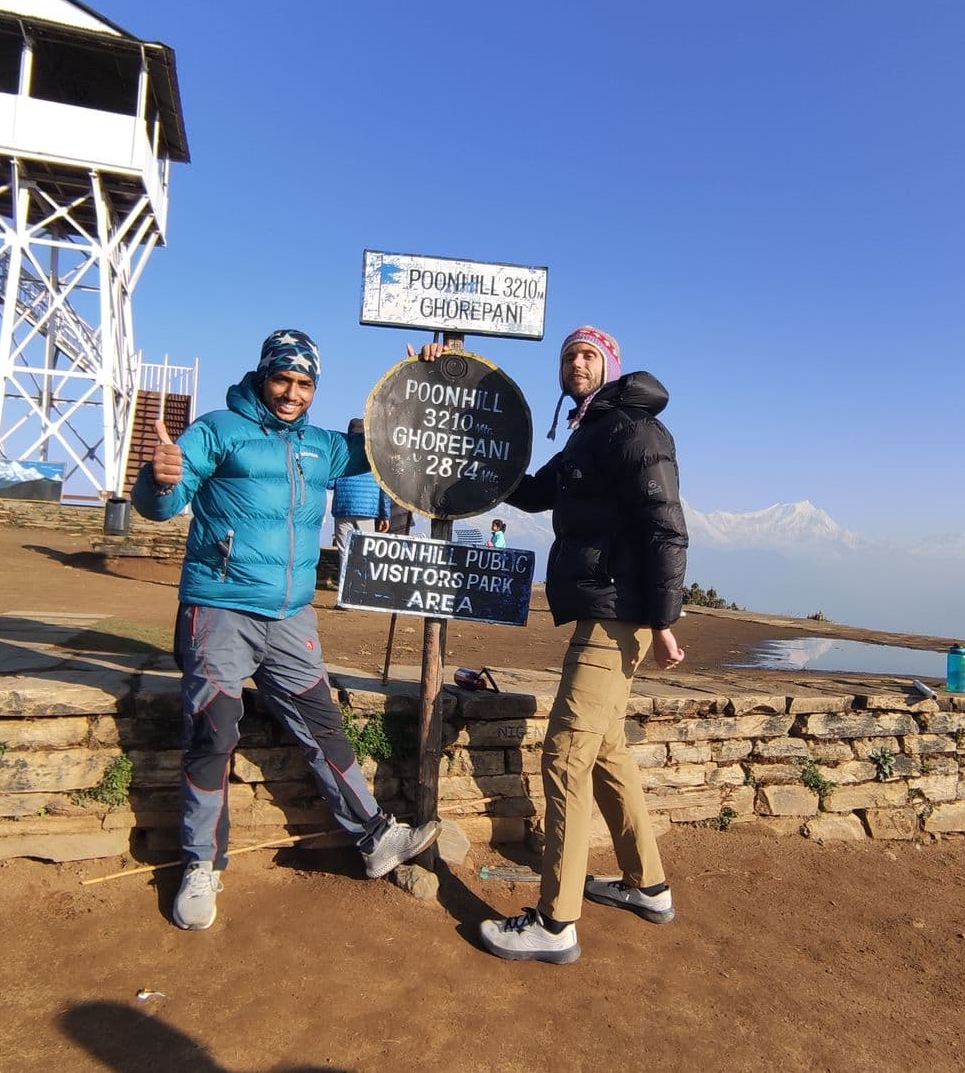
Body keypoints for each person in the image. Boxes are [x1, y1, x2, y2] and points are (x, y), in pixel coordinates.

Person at [132, 329, 437, 931]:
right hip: (219, 609)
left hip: (291, 615)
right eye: (283, 379)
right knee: (211, 734)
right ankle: (200, 865)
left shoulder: (322, 447)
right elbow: (163, 505)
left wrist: (418, 385)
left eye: (304, 384)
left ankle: (374, 838)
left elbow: (387, 444)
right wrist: (160, 478)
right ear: (263, 374)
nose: (292, 393)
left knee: (323, 725)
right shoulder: (218, 430)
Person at [473, 325, 688, 964]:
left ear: (610, 366)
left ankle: (555, 921)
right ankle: (647, 884)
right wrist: (483, 462)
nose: (576, 362)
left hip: (615, 614)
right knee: (606, 752)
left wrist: (663, 616)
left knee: (566, 754)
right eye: (569, 354)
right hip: (613, 610)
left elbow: (665, 529)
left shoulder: (632, 431)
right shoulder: (590, 431)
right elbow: (538, 493)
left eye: (589, 354)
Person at [328, 419, 392, 554]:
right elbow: (384, 489)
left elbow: (330, 483)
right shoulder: (375, 456)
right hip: (367, 510)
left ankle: (343, 575)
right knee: (364, 555)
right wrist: (385, 515)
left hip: (343, 509)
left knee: (344, 555)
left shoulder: (341, 454)